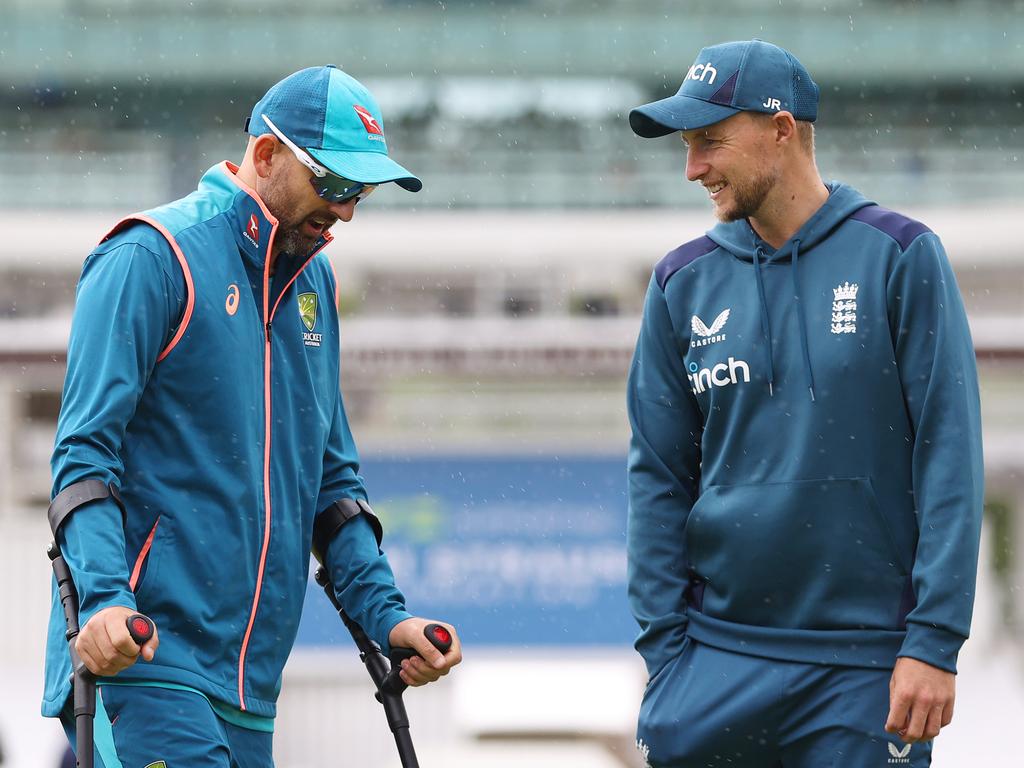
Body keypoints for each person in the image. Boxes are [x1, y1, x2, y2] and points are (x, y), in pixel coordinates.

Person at [43, 65, 462, 766]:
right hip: (140, 661)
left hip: (252, 691)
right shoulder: (150, 255)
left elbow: (332, 488)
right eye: (332, 183)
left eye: (359, 191)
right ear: (266, 156)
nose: (348, 210)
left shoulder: (313, 282)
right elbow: (83, 460)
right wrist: (106, 601)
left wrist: (389, 617)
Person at [625, 40, 982, 768]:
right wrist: (667, 655)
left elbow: (949, 454)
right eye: (687, 147)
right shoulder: (679, 283)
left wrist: (935, 640)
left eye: (710, 142)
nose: (693, 168)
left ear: (782, 130)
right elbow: (657, 478)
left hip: (866, 671)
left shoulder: (901, 255)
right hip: (715, 664)